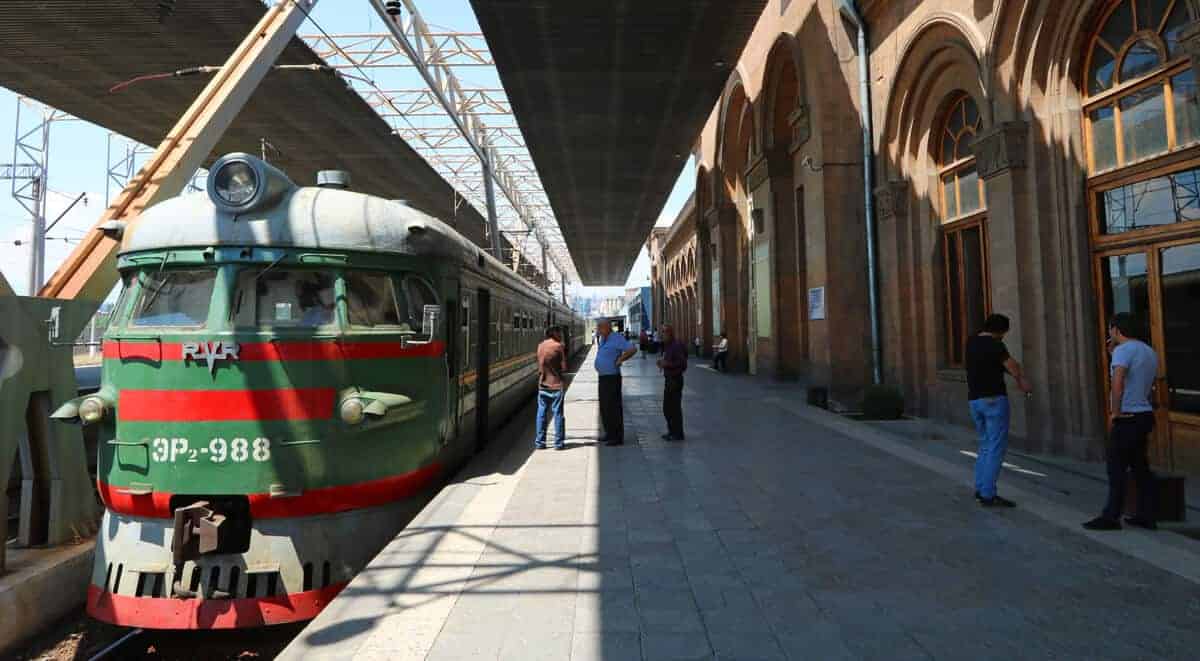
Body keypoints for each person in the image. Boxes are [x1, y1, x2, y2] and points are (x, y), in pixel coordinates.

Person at [1084, 313, 1160, 531]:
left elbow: (1118, 382)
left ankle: (1111, 516)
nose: (1109, 333)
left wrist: (1114, 412)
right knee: (1139, 467)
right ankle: (1147, 514)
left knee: (1116, 467)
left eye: (1110, 329)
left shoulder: (1123, 351)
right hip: (1144, 414)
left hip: (1128, 416)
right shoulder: (1148, 351)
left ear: (1116, 330)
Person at [966, 313, 1033, 508]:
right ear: (1000, 331)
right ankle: (988, 494)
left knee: (985, 445)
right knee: (996, 446)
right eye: (1004, 333)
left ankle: (980, 488)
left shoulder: (971, 342)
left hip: (974, 400)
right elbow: (1012, 366)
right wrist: (1022, 381)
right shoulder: (996, 345)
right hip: (994, 399)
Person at [594, 320, 636, 445]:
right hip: (603, 377)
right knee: (604, 406)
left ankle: (616, 437)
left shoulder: (616, 338)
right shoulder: (603, 339)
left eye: (600, 327)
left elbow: (632, 349)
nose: (598, 330)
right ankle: (609, 433)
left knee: (613, 407)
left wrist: (620, 359)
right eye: (598, 328)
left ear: (607, 327)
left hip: (612, 378)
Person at [534, 326, 568, 451]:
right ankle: (558, 443)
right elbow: (564, 367)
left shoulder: (540, 346)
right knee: (558, 414)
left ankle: (540, 442)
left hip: (542, 385)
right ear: (555, 334)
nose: (561, 335)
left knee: (541, 414)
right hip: (556, 385)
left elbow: (540, 364)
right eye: (560, 333)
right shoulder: (558, 347)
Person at [657, 324, 688, 441]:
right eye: (662, 333)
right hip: (669, 379)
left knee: (673, 408)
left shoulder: (676, 346)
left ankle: (678, 434)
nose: (662, 335)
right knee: (667, 408)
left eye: (664, 333)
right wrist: (662, 362)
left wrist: (667, 364)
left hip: (675, 380)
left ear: (670, 333)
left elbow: (683, 364)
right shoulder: (668, 346)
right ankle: (672, 431)